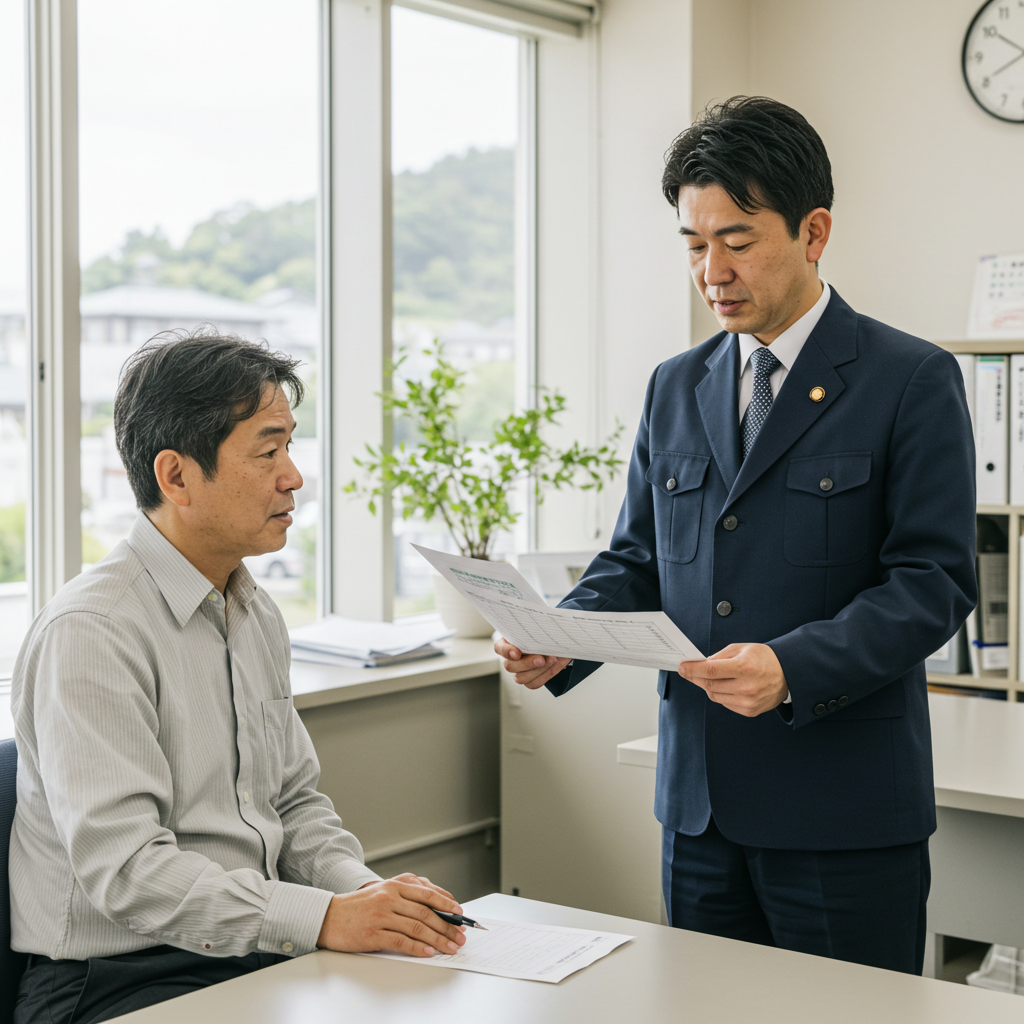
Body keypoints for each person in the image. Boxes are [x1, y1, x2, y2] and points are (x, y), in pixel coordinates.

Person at [496, 96, 976, 974]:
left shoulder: (911, 377)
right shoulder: (674, 385)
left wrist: (793, 666)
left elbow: (932, 583)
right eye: (692, 244)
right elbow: (638, 558)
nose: (711, 269)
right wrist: (563, 638)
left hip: (843, 811)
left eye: (738, 240)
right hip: (700, 808)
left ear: (814, 231)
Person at [10, 330, 468, 1024]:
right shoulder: (93, 631)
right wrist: (326, 919)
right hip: (110, 982)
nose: (293, 476)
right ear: (176, 477)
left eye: (290, 446)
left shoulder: (251, 610)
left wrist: (372, 898)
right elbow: (128, 871)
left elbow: (293, 807)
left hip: (246, 951)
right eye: (268, 450)